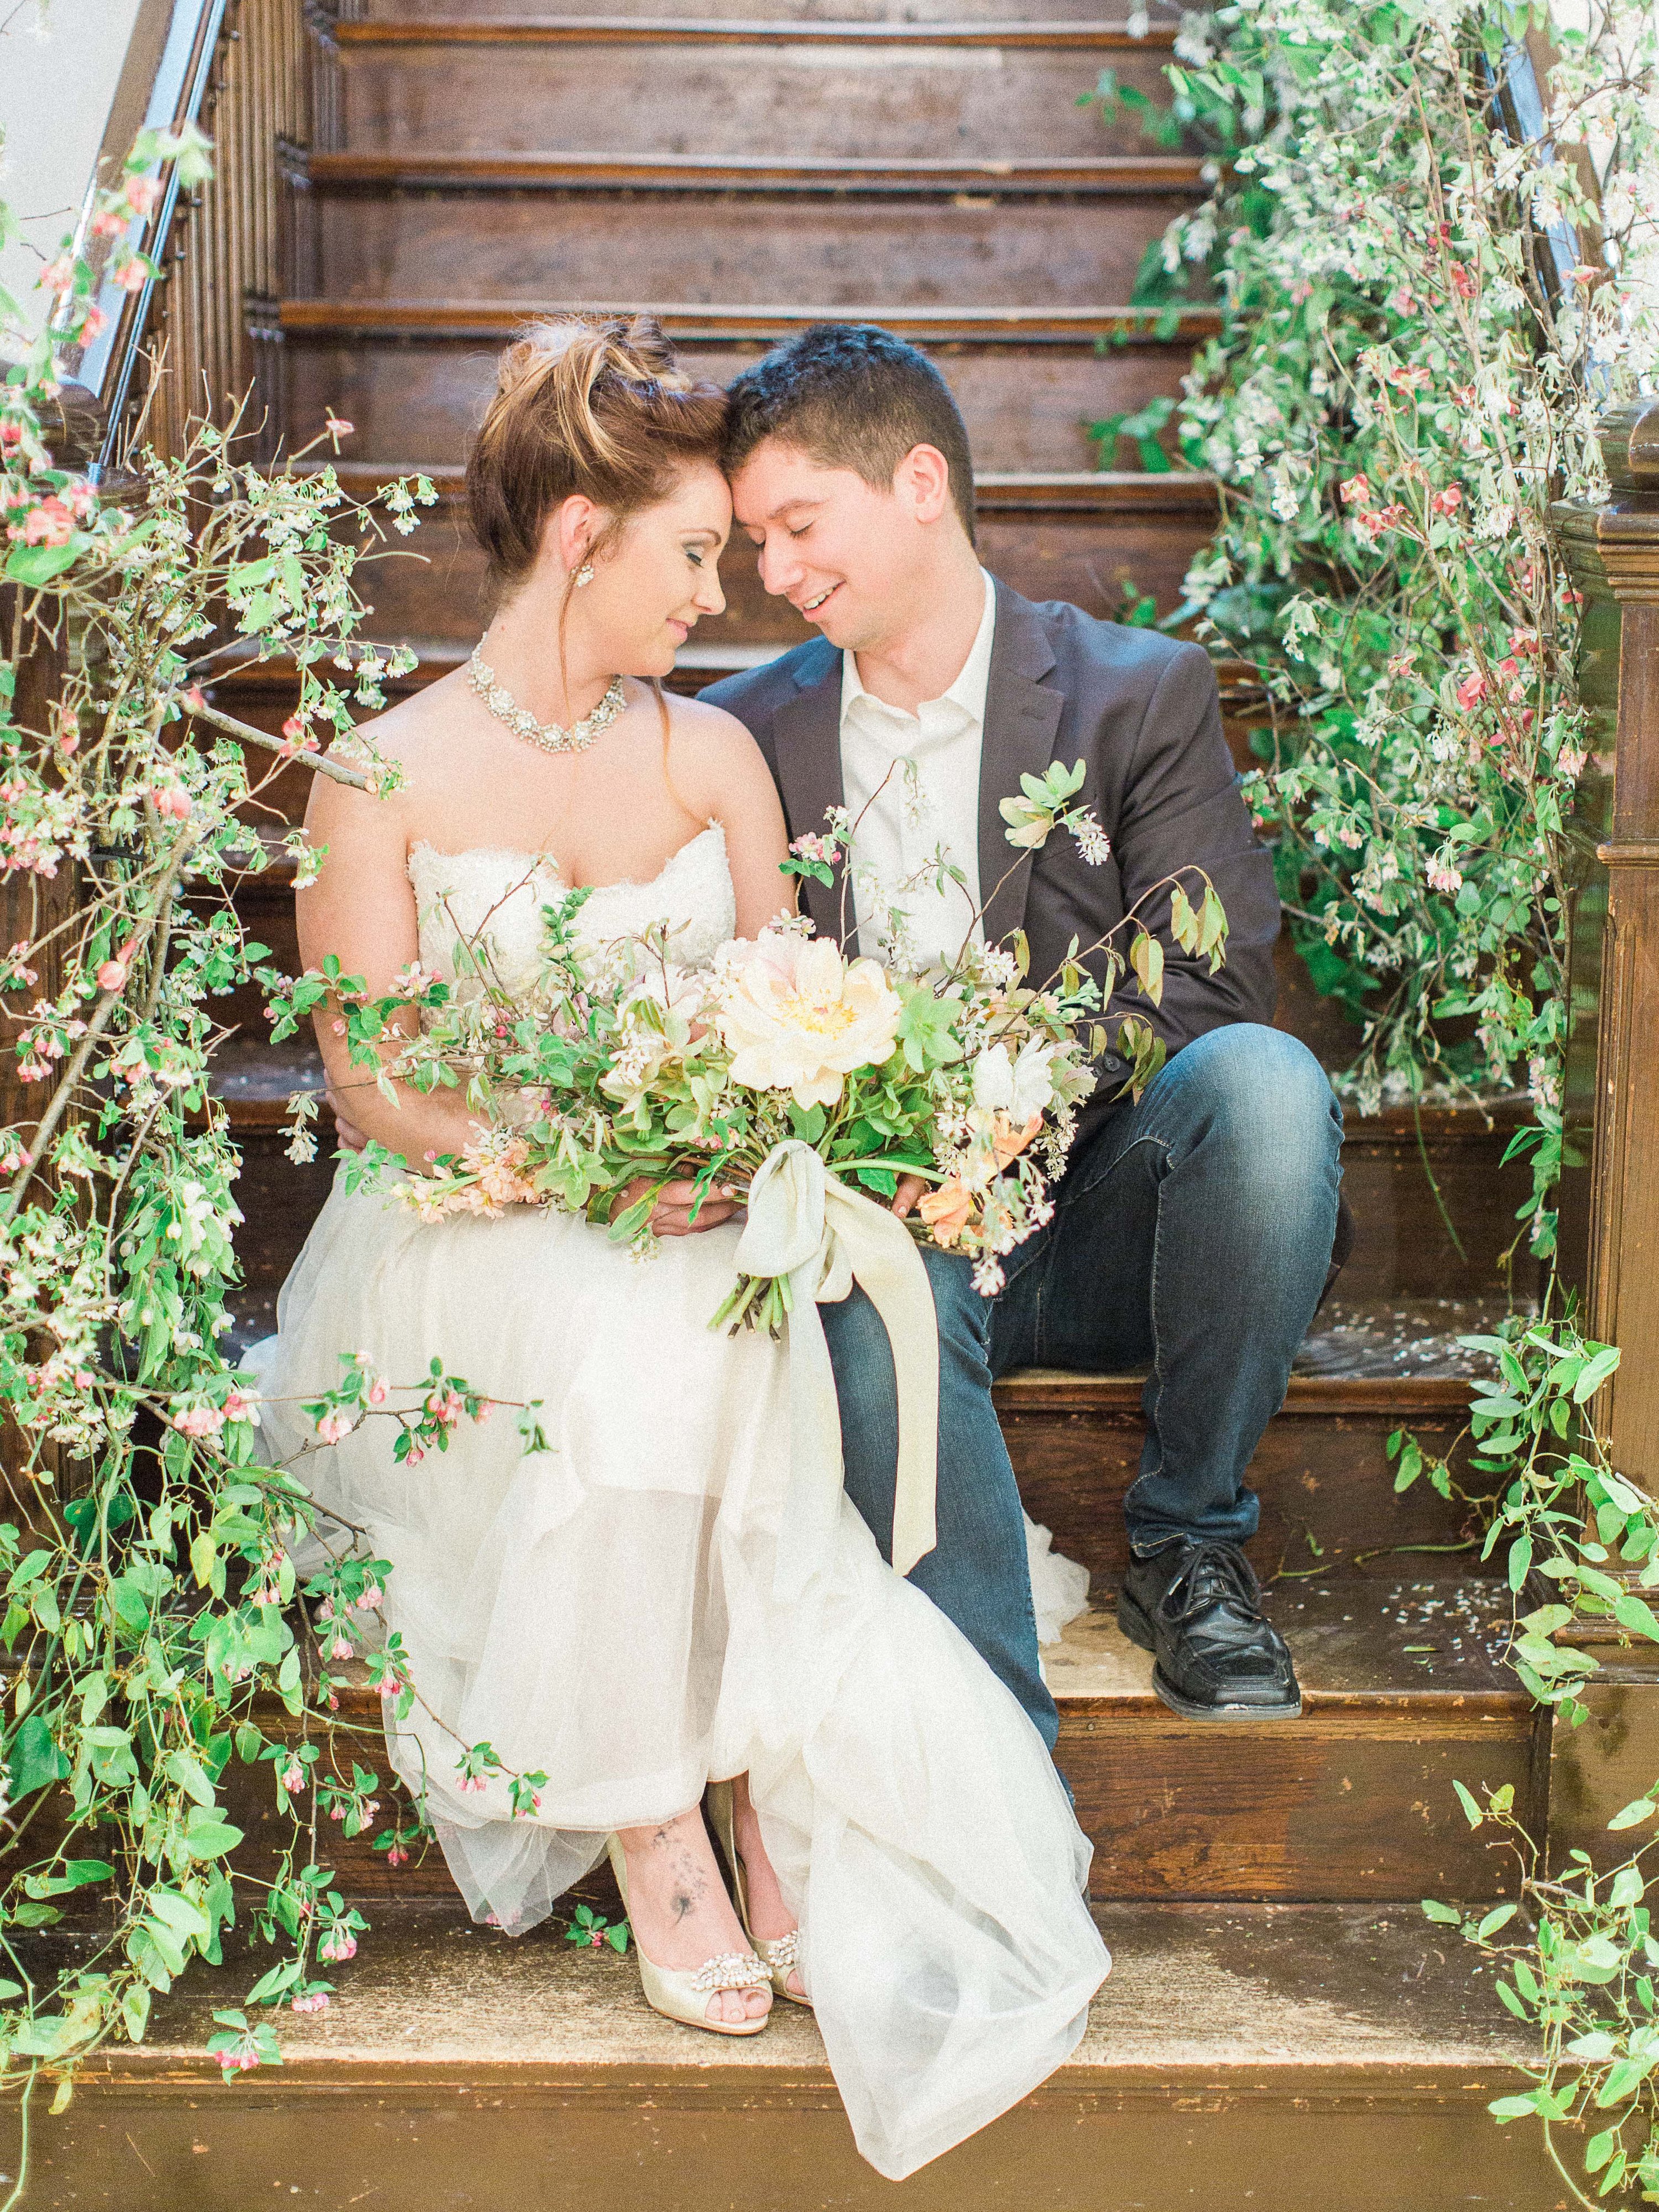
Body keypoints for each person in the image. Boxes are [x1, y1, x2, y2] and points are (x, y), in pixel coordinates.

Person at [250, 315, 1109, 2183]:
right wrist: (569, 1167)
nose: (725, 593)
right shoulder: (378, 779)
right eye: (696, 554)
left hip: (686, 1208)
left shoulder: (718, 759)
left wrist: (729, 1148)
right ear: (580, 536)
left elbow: (780, 1011)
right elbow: (379, 1084)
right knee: (632, 1333)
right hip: (468, 1225)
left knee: (721, 1314)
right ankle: (662, 1821)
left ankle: (751, 1787)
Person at [700, 322, 1347, 1733]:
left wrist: (1010, 1098)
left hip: (1099, 1205)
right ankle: (987, 1747)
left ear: (919, 482)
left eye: (799, 525)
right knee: (881, 1288)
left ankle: (1188, 1543)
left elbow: (1218, 980)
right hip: (888, 1233)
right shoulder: (739, 731)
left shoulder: (1134, 694)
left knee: (1271, 1086)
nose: (774, 573)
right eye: (753, 540)